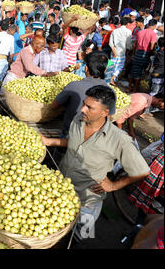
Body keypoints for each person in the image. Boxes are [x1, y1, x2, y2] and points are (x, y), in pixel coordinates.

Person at [41, 85, 150, 240]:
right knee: (53, 230)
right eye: (84, 104)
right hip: (59, 190)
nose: (83, 109)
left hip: (87, 200)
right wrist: (49, 141)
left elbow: (142, 171)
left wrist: (113, 185)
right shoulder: (78, 120)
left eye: (89, 107)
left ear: (105, 112)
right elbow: (73, 143)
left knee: (81, 235)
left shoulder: (119, 139)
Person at [50, 51, 109, 136]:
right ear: (105, 70)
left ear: (86, 69)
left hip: (70, 133)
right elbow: (109, 116)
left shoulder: (73, 85)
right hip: (96, 136)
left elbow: (54, 106)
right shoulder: (110, 91)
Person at [129, 19, 158, 92]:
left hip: (137, 52)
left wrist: (133, 53)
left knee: (133, 70)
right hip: (145, 54)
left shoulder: (140, 32)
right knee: (140, 72)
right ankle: (135, 88)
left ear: (148, 24)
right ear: (155, 26)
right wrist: (152, 53)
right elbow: (152, 47)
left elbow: (134, 44)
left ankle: (129, 87)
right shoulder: (153, 34)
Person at [0, 19, 14, 89]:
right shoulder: (11, 37)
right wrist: (9, 63)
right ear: (7, 28)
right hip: (3, 61)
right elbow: (12, 53)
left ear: (0, 27)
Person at [109, 17, 133, 85]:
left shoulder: (115, 31)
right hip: (122, 52)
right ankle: (112, 79)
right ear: (127, 24)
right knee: (119, 67)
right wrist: (128, 52)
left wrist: (114, 52)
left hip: (114, 52)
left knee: (111, 65)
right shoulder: (128, 32)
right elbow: (128, 45)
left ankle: (108, 78)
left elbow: (111, 43)